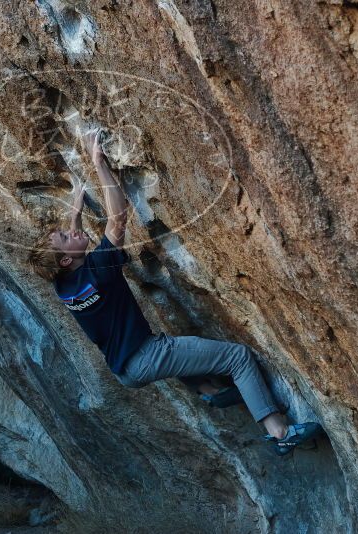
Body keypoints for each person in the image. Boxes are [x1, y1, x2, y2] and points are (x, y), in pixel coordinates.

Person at [28, 129, 323, 455]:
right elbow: (118, 220)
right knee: (237, 358)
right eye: (65, 238)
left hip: (125, 369)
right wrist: (99, 164)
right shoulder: (98, 270)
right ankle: (279, 431)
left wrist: (76, 209)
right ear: (69, 259)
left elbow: (73, 242)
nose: (71, 233)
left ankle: (209, 390)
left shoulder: (63, 284)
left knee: (176, 356)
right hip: (147, 355)